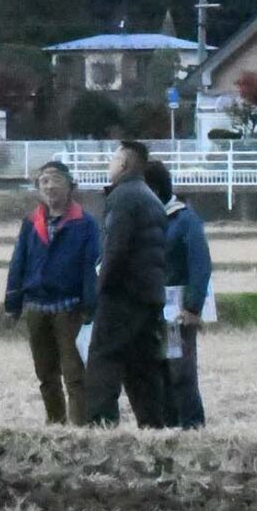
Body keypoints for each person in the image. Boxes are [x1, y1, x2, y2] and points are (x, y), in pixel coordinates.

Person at [80, 140, 174, 429]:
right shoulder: (153, 200)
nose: (109, 165)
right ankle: (155, 427)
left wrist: (100, 289)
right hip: (150, 296)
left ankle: (102, 425)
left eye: (113, 159)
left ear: (123, 164)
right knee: (143, 368)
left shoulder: (122, 197)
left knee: (104, 361)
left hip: (122, 295)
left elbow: (115, 250)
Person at [2, 160, 99, 425]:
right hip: (36, 306)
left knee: (75, 374)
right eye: (43, 181)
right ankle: (55, 423)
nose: (49, 185)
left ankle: (80, 428)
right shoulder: (31, 222)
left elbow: (92, 267)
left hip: (69, 307)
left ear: (70, 185)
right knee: (45, 373)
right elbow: (18, 262)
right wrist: (12, 302)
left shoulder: (85, 223)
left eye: (55, 179)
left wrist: (90, 306)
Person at [144, 159, 212, 429]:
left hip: (177, 311)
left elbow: (200, 265)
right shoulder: (142, 218)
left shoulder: (184, 219)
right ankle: (167, 426)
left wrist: (193, 308)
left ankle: (192, 426)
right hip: (148, 307)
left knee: (180, 369)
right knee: (155, 370)